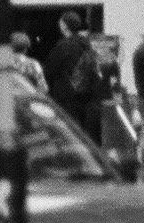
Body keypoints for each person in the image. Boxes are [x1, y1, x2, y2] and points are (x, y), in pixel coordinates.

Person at [42, 11, 105, 142]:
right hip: (88, 98)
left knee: (70, 135)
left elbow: (49, 71)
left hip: (67, 99)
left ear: (64, 26)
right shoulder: (89, 44)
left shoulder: (63, 46)